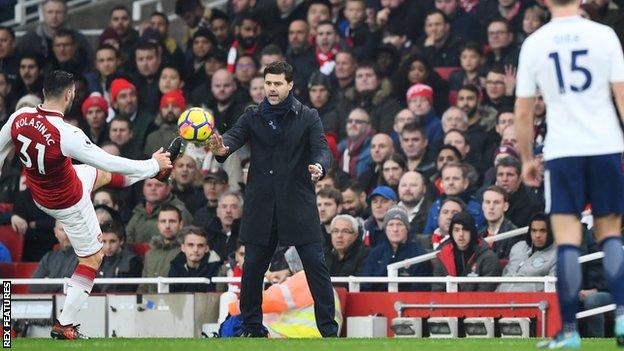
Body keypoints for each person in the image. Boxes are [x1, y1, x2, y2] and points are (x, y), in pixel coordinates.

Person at [0, 70, 173, 339]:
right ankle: (65, 324)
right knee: (93, 257)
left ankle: (156, 171)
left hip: (41, 192)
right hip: (69, 201)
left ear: (44, 92)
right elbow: (108, 159)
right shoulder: (67, 133)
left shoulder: (17, 118)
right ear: (69, 95)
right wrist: (151, 164)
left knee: (99, 175)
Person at [515, 0, 624, 345]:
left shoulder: (536, 42)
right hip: (606, 145)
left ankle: (570, 332)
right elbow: (622, 95)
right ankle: (623, 316)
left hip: (563, 151)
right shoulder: (604, 35)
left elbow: (523, 110)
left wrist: (526, 158)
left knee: (568, 241)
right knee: (610, 234)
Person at [208, 61, 338, 337]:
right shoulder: (252, 115)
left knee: (316, 265)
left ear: (290, 85)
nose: (272, 89)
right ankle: (252, 327)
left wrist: (319, 166)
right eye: (268, 83)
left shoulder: (308, 116)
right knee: (253, 268)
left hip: (298, 202)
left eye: (278, 83)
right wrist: (222, 148)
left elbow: (322, 150)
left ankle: (329, 331)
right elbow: (232, 137)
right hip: (261, 204)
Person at [496, 212, 556, 292]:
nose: (537, 235)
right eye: (534, 231)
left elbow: (552, 289)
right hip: (500, 298)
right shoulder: (518, 247)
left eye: (542, 231)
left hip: (530, 302)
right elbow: (505, 275)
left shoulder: (557, 255)